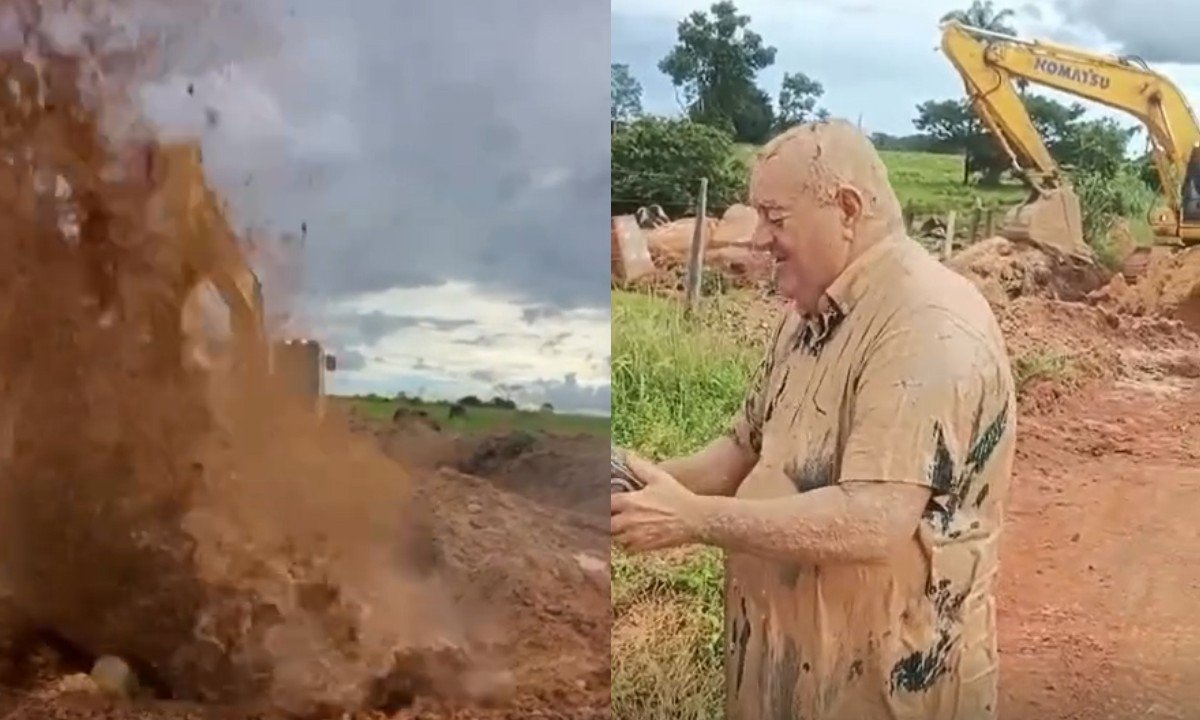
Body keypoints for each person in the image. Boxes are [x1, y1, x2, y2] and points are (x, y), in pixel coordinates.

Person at [610, 119, 1017, 720]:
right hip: (797, 670)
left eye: (776, 218)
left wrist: (693, 520)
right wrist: (629, 484)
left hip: (891, 687)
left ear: (847, 209)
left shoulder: (925, 324)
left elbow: (872, 519)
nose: (756, 240)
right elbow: (740, 450)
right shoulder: (809, 315)